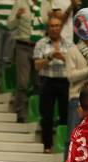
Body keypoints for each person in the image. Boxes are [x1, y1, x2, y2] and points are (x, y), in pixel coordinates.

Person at [32, 17, 72, 153]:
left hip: (65, 81)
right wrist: (49, 57)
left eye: (57, 25)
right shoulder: (41, 43)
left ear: (61, 27)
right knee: (46, 115)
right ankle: (47, 146)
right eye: (52, 26)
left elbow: (75, 64)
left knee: (65, 115)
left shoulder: (69, 44)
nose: (55, 28)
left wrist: (63, 58)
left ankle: (63, 145)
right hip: (47, 81)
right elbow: (37, 66)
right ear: (48, 28)